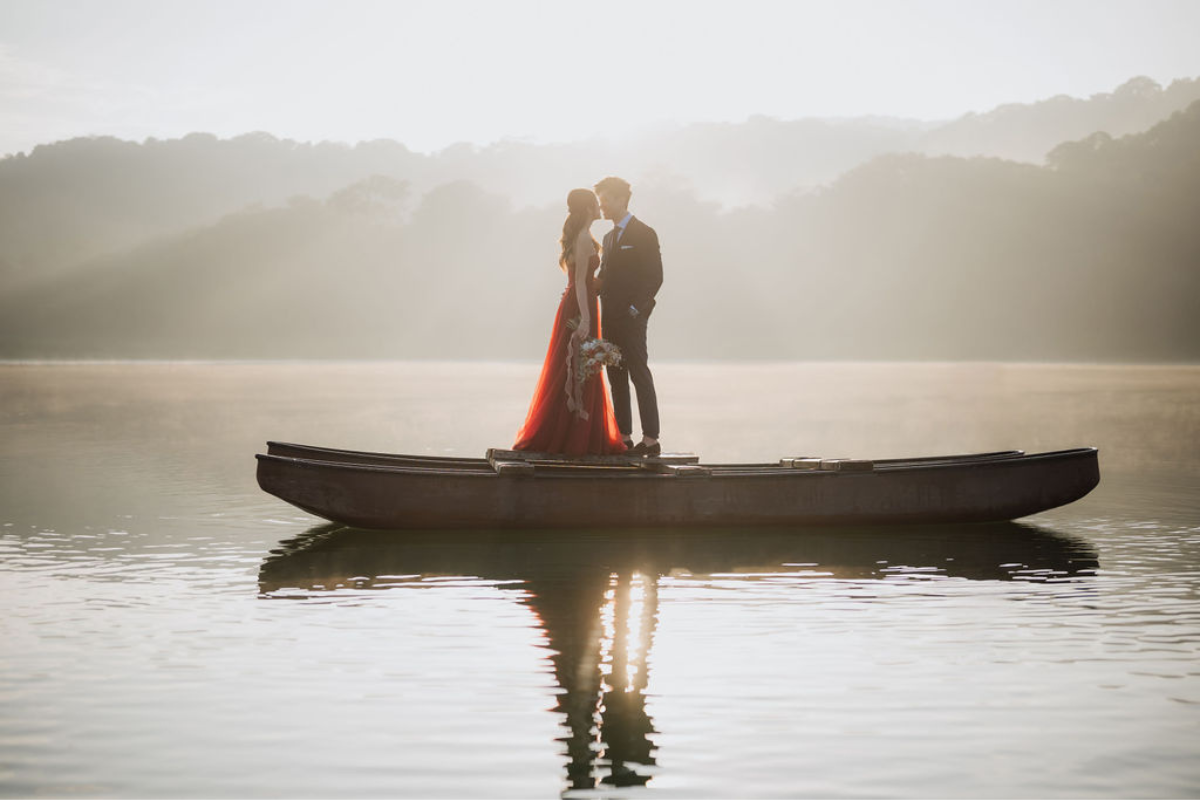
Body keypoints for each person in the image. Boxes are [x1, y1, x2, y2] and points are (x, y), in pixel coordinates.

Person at [513, 189, 628, 456]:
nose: (600, 207)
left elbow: (584, 281)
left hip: (581, 303)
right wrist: (586, 319)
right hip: (580, 307)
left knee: (582, 367)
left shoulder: (583, 237)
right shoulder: (584, 239)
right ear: (588, 208)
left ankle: (579, 433)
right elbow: (579, 282)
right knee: (578, 368)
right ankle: (573, 436)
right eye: (595, 204)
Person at [594, 176, 663, 457]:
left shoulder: (645, 233)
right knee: (616, 376)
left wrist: (636, 310)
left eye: (605, 201)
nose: (602, 207)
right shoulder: (608, 238)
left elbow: (655, 277)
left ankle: (651, 439)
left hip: (633, 319)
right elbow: (605, 277)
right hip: (609, 317)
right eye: (599, 202)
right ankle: (624, 437)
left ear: (621, 199)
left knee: (639, 374)